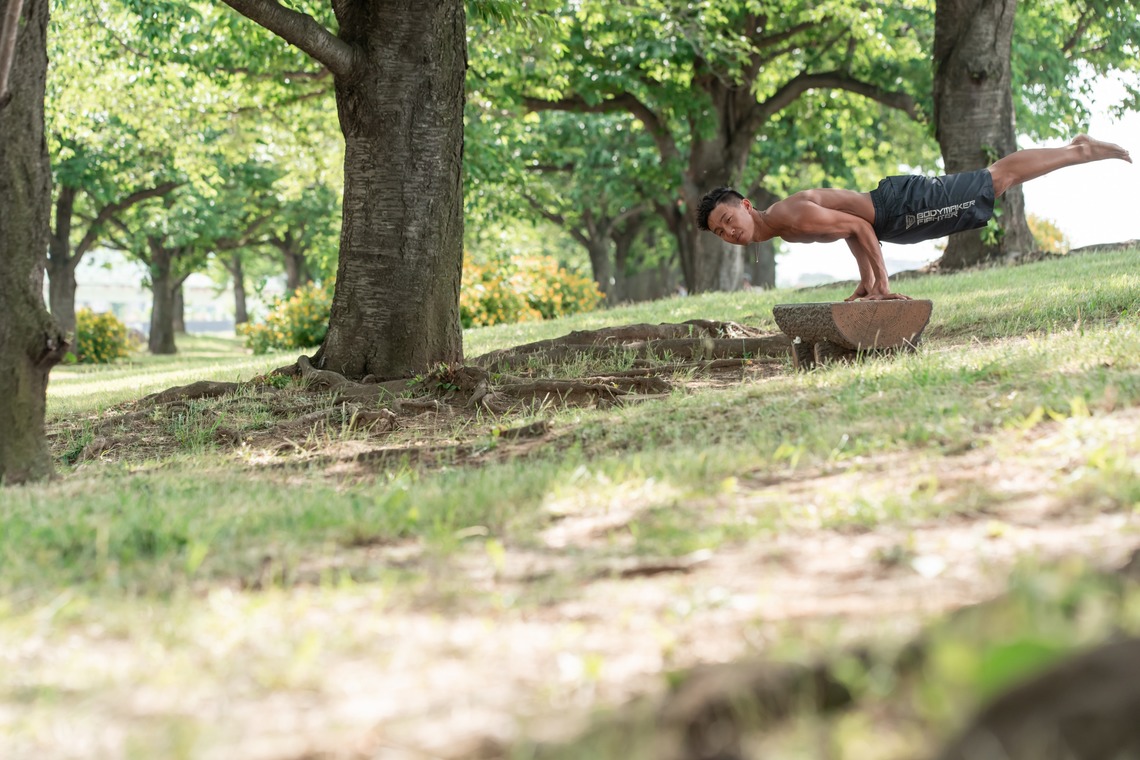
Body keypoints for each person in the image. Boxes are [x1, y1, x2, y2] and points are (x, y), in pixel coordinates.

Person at [696, 135, 1132, 301]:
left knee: (995, 180)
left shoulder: (787, 215)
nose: (729, 232)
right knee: (993, 181)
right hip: (896, 217)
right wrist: (867, 283)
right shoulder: (783, 230)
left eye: (728, 219)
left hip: (900, 207)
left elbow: (860, 226)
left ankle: (1079, 151)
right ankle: (1075, 149)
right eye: (720, 232)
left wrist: (882, 285)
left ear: (746, 205)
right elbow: (849, 229)